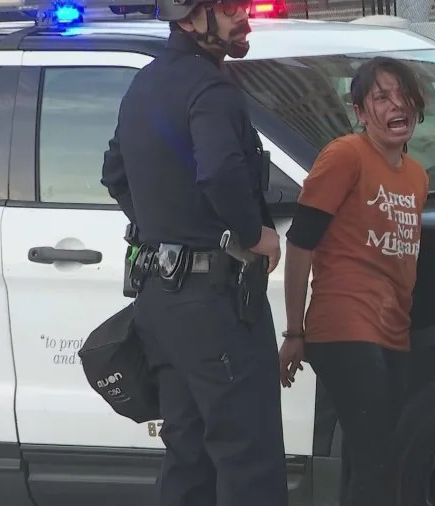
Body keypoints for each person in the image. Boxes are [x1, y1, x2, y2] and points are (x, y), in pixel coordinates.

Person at [100, 0, 288, 505]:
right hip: (215, 305)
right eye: (228, 8)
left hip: (161, 303)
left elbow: (115, 174)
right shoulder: (212, 87)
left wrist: (163, 226)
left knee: (189, 456)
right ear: (188, 17)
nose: (241, 17)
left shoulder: (145, 84)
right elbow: (221, 173)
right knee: (250, 459)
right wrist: (254, 234)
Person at [277, 56, 429, 506]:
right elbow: (300, 243)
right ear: (360, 113)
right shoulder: (345, 155)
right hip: (343, 326)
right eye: (381, 98)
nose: (395, 106)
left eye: (403, 96)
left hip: (391, 331)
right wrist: (294, 332)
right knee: (376, 454)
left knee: (371, 455)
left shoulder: (417, 175)